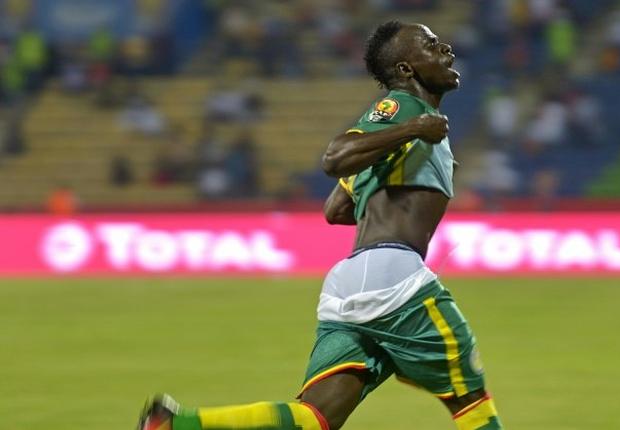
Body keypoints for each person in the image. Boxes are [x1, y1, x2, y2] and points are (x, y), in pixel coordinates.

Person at [138, 21, 503, 430]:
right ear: (405, 70)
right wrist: (413, 131)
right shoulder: (404, 108)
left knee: (316, 417)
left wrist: (386, 184)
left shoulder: (404, 130)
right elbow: (335, 157)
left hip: (349, 283)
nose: (446, 49)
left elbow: (336, 209)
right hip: (393, 277)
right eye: (431, 45)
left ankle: (176, 425)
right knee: (470, 399)